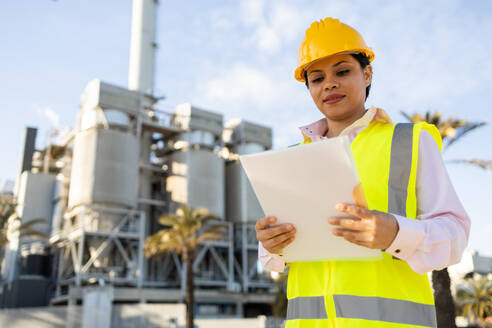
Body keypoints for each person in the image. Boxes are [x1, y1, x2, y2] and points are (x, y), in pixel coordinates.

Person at [255, 17, 470, 328]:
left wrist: (396, 234)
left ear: (366, 74)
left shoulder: (410, 141)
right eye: (316, 79)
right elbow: (276, 259)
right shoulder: (294, 157)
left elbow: (456, 236)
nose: (329, 84)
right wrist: (270, 244)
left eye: (342, 71)